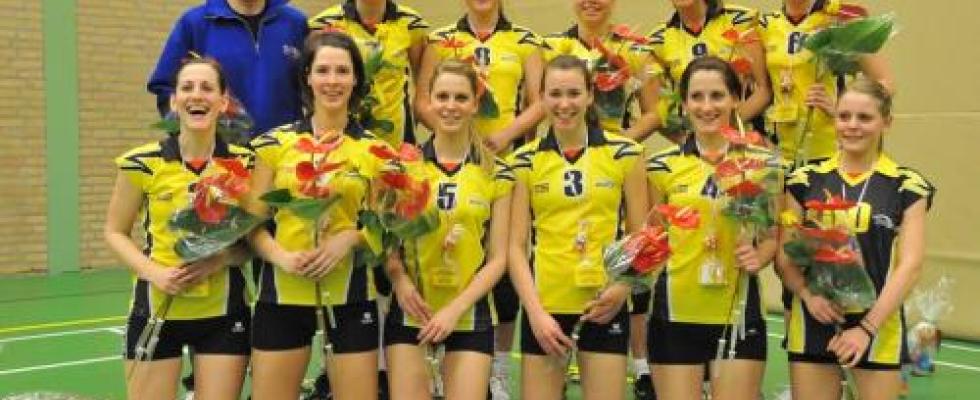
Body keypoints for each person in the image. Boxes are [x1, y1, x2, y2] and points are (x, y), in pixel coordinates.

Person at [246, 31, 389, 400]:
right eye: (323, 70)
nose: (332, 81)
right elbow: (252, 225)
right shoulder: (273, 145)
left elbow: (384, 227)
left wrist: (350, 238)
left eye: (342, 71)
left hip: (351, 297)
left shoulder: (376, 151)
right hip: (282, 295)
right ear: (307, 77)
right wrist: (282, 257)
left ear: (356, 79)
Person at [777, 78, 934, 400]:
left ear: (886, 122)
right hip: (815, 318)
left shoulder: (906, 185)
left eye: (864, 118)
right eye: (844, 116)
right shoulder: (805, 179)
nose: (852, 125)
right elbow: (784, 255)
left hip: (878, 325)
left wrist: (866, 328)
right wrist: (808, 295)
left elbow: (910, 265)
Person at [106, 57, 253, 400]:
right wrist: (154, 273)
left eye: (207, 88)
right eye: (187, 88)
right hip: (157, 307)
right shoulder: (141, 163)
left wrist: (220, 259)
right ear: (174, 101)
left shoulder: (246, 163)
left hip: (223, 312)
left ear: (223, 102)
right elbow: (115, 231)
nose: (196, 95)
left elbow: (254, 238)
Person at [508, 55, 649, 400]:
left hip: (604, 305)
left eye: (574, 93)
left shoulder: (625, 153)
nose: (564, 104)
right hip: (546, 307)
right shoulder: (523, 161)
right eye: (555, 94)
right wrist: (535, 313)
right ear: (542, 98)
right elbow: (515, 246)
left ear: (590, 96)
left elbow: (641, 235)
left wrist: (622, 289)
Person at [645, 56, 777, 400]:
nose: (707, 107)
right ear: (684, 103)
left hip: (739, 313)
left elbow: (772, 237)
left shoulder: (763, 164)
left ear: (735, 98)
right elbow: (651, 239)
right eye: (697, 97)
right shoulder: (660, 166)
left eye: (717, 95)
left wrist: (759, 256)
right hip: (675, 313)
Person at [384, 60, 513, 400]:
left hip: (469, 314)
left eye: (461, 97)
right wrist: (399, 280)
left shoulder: (496, 172)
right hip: (412, 312)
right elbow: (387, 240)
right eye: (442, 96)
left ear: (475, 104)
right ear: (428, 101)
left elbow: (499, 259)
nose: (450, 106)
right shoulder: (404, 167)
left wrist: (454, 310)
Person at [759, 0, 893, 165]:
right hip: (781, 154)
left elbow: (884, 83)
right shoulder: (765, 25)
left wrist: (843, 110)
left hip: (831, 151)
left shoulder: (838, 19)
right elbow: (758, 89)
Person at [147, 0, 307, 136]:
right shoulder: (195, 24)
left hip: (284, 153)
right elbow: (166, 88)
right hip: (218, 156)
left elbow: (313, 88)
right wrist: (193, 142)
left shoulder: (296, 24)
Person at [416, 0, 545, 154]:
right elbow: (422, 102)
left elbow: (540, 103)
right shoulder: (439, 41)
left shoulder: (526, 41)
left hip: (508, 151)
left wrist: (506, 135)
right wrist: (454, 135)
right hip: (454, 151)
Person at [308, 0, 430, 146]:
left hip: (394, 139)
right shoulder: (323, 24)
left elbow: (422, 88)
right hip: (339, 136)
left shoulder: (411, 24)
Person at [648, 0, 771, 142]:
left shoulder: (740, 20)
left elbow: (764, 90)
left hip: (748, 135)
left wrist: (723, 129)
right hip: (699, 141)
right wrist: (690, 140)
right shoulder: (658, 39)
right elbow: (656, 111)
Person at [541, 0, 662, 142]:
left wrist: (618, 143)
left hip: (616, 150)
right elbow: (534, 104)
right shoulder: (548, 48)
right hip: (560, 148)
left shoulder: (635, 50)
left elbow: (655, 113)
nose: (590, 1)